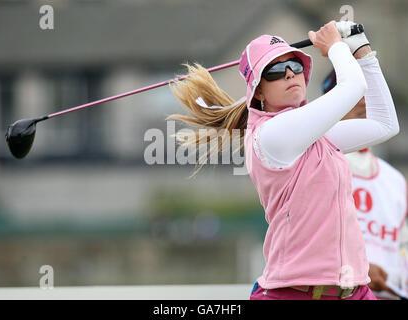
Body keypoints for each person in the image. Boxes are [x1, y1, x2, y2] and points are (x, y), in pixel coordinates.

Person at [167, 20, 399, 300]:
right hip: (294, 293)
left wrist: (363, 52)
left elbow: (385, 124)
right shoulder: (272, 134)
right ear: (259, 92)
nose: (290, 73)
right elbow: (352, 87)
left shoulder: (315, 136)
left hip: (355, 291)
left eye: (296, 66)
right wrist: (335, 45)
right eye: (276, 70)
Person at [323, 71, 408, 299]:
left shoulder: (395, 179)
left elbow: (403, 244)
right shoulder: (317, 164)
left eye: (368, 92)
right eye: (353, 92)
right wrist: (359, 267)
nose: (363, 100)